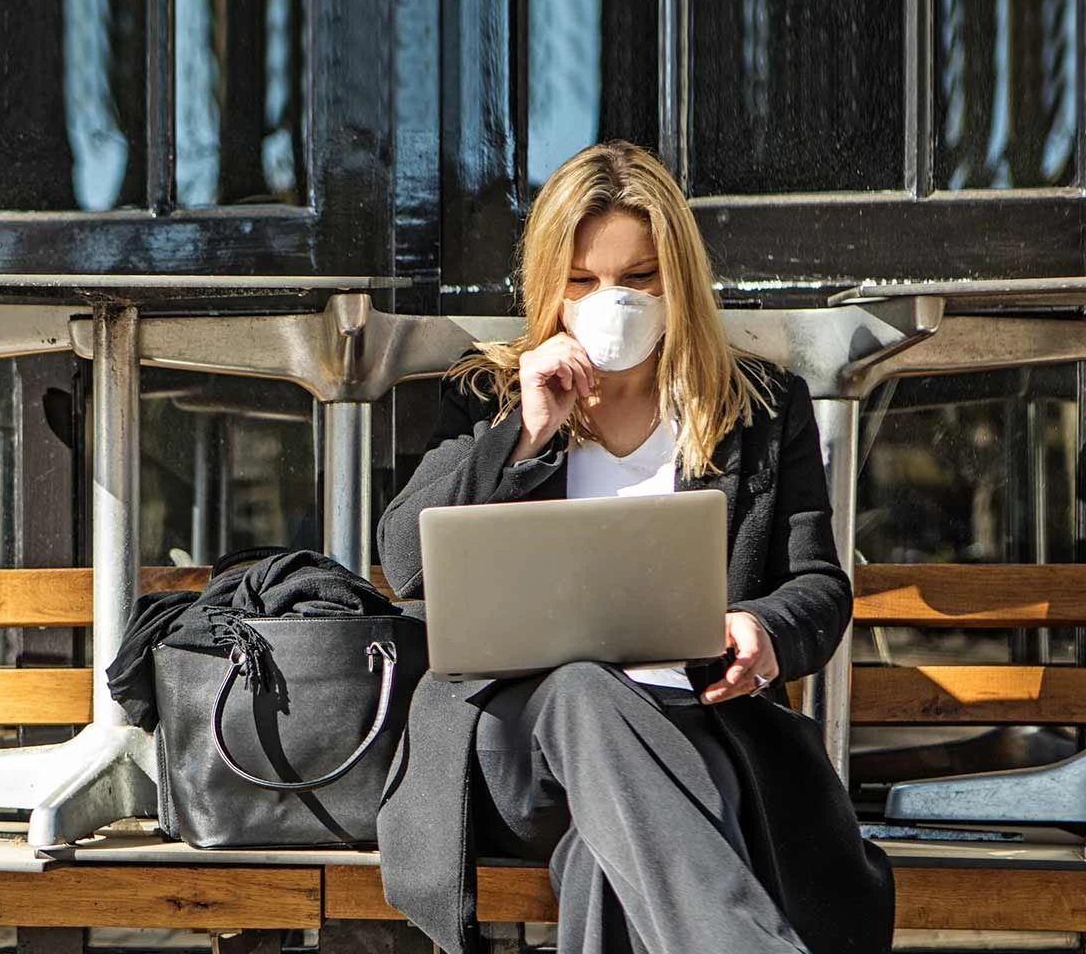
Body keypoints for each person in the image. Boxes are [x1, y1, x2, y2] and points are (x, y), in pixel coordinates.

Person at [374, 140, 894, 954]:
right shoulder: (487, 396)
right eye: (582, 280)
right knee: (582, 684)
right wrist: (526, 428)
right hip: (518, 749)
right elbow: (404, 562)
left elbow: (817, 587)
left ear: (678, 278)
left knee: (606, 858)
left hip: (693, 730)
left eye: (638, 277)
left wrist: (762, 633)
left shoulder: (759, 407)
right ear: (549, 284)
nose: (610, 299)